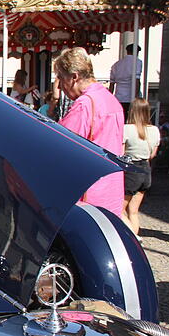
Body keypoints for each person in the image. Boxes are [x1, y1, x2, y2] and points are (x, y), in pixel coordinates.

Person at [55, 47, 124, 217]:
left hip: (89, 194)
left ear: (74, 77)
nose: (60, 86)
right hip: (111, 189)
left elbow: (61, 145)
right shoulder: (110, 98)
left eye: (60, 78)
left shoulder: (85, 105)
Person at [121, 98, 160, 240]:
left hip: (131, 170)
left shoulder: (127, 129)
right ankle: (135, 239)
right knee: (134, 211)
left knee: (119, 209)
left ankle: (133, 238)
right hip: (146, 170)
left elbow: (121, 153)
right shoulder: (154, 130)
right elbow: (152, 154)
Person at [109, 44, 143, 118]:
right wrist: (136, 97)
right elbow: (137, 81)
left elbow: (111, 84)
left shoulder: (116, 65)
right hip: (130, 97)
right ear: (136, 52)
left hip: (119, 97)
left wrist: (109, 99)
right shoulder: (137, 62)